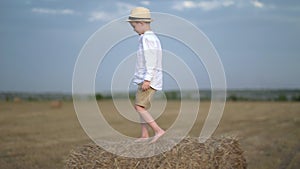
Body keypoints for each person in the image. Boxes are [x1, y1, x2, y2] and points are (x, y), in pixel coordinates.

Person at [127, 7, 165, 143]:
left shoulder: (147, 39)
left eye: (134, 26)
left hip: (148, 79)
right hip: (144, 79)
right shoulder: (146, 37)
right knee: (139, 106)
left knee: (139, 107)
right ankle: (144, 134)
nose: (133, 29)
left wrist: (147, 79)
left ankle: (158, 130)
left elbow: (151, 60)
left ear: (141, 23)